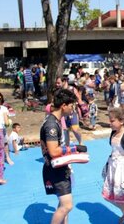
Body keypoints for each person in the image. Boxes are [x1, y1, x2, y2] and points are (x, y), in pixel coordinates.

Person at [40, 88, 87, 224]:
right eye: (71, 106)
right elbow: (54, 151)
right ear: (64, 105)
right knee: (67, 206)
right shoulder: (51, 125)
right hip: (56, 169)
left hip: (60, 166)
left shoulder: (55, 120)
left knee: (63, 204)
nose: (73, 109)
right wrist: (74, 148)